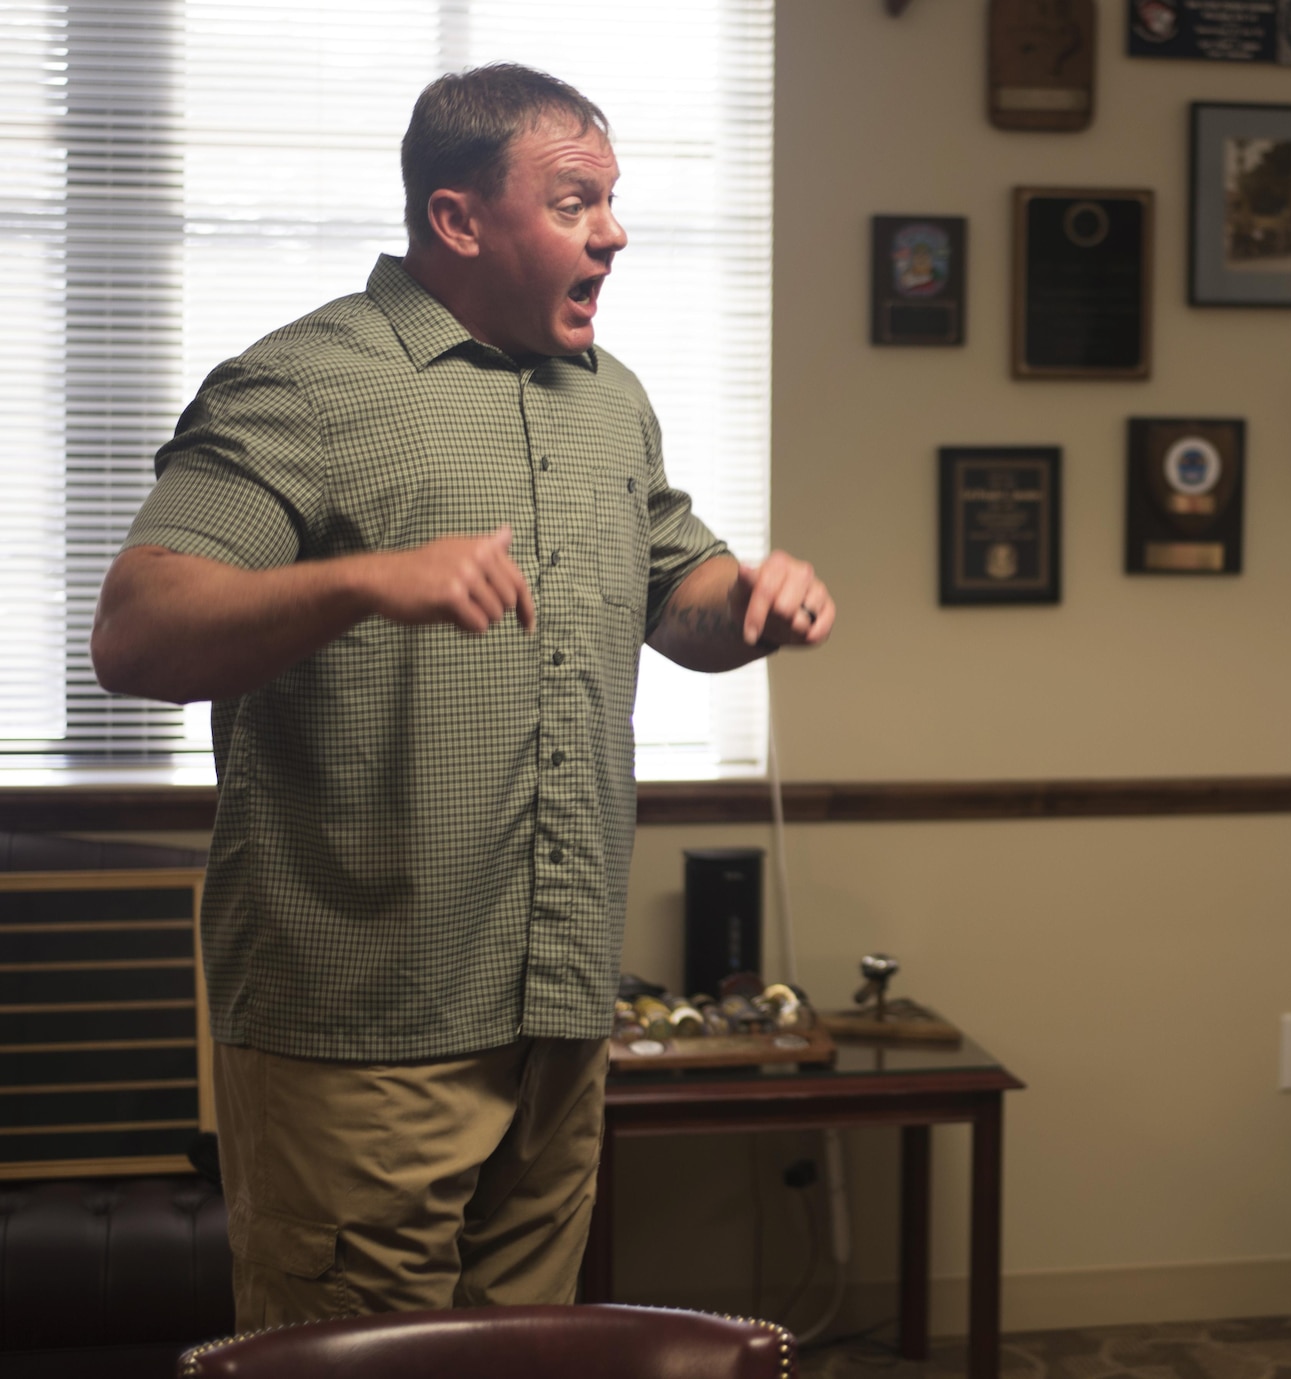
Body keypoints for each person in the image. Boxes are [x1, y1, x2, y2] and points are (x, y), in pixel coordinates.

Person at [90, 63, 833, 1326]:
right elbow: (137, 632)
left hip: (558, 1012)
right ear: (458, 217)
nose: (612, 230)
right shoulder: (303, 384)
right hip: (359, 1026)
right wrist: (365, 581)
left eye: (612, 199)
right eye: (575, 199)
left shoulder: (611, 403)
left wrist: (752, 602)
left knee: (525, 1361)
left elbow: (680, 591)